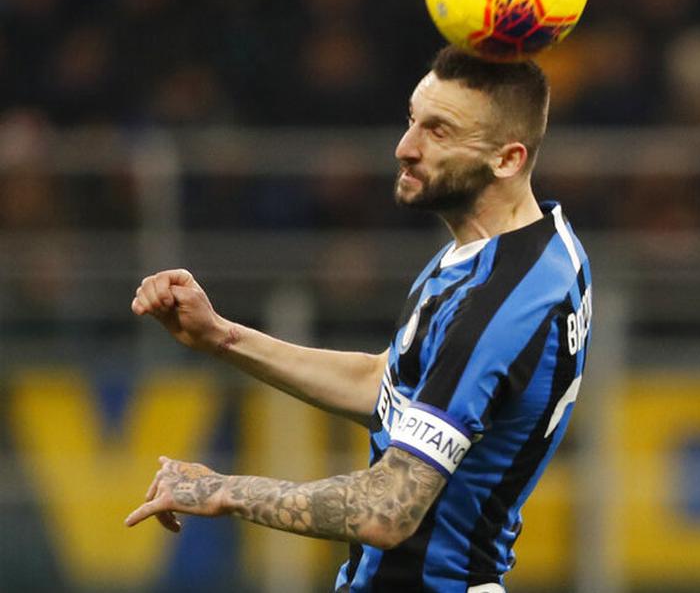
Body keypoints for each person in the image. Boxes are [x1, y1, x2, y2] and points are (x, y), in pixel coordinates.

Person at [126, 46, 593, 593]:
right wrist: (222, 337)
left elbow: (387, 511)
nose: (405, 148)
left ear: (508, 159)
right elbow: (387, 384)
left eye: (438, 132)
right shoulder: (535, 245)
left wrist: (223, 491)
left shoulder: (497, 306)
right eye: (412, 119)